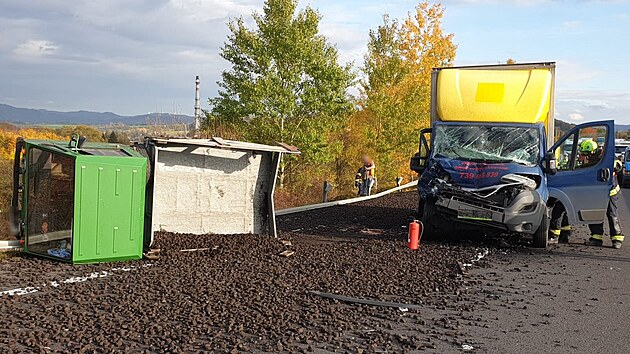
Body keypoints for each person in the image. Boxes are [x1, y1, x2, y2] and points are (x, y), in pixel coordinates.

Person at [587, 158, 624, 249]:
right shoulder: (591, 161)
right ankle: (596, 238)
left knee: (612, 214)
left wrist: (615, 165)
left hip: (611, 192)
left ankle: (617, 239)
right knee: (596, 213)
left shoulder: (605, 157)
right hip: (598, 191)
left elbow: (618, 165)